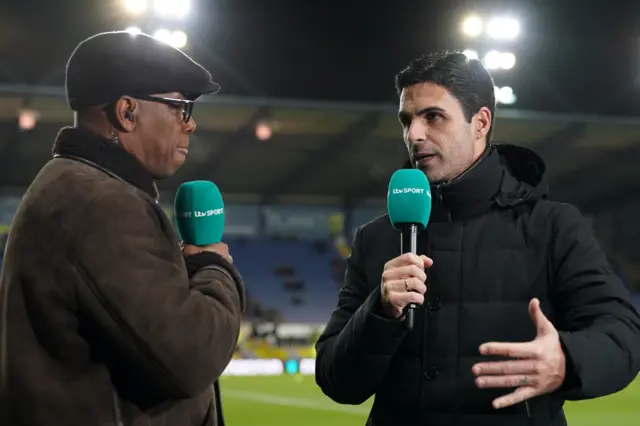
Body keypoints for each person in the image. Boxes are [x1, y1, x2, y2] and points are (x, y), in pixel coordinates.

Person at [315, 51, 640, 426]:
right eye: (407, 120)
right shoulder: (376, 238)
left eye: (433, 117)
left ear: (480, 122)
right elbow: (336, 380)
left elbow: (623, 334)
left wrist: (566, 360)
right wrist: (380, 312)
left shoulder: (552, 226)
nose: (414, 134)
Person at [0, 31, 245, 426]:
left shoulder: (72, 186)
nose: (191, 124)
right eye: (181, 107)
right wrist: (214, 268)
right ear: (127, 112)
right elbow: (192, 357)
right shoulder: (101, 205)